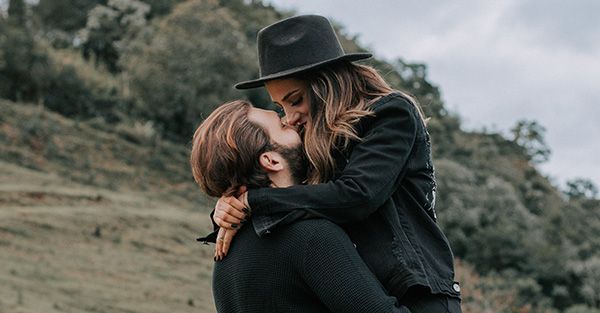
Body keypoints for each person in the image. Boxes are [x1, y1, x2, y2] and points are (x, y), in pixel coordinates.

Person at [211, 15, 462, 312]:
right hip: (360, 289)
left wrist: (255, 200)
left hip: (417, 290)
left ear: (326, 85)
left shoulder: (390, 115)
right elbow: (281, 184)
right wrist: (229, 205)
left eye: (295, 100)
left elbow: (357, 195)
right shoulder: (312, 136)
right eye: (281, 107)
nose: (290, 118)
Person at [191, 100, 411, 313]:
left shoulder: (227, 257)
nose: (292, 122)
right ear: (271, 161)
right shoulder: (310, 237)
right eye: (282, 125)